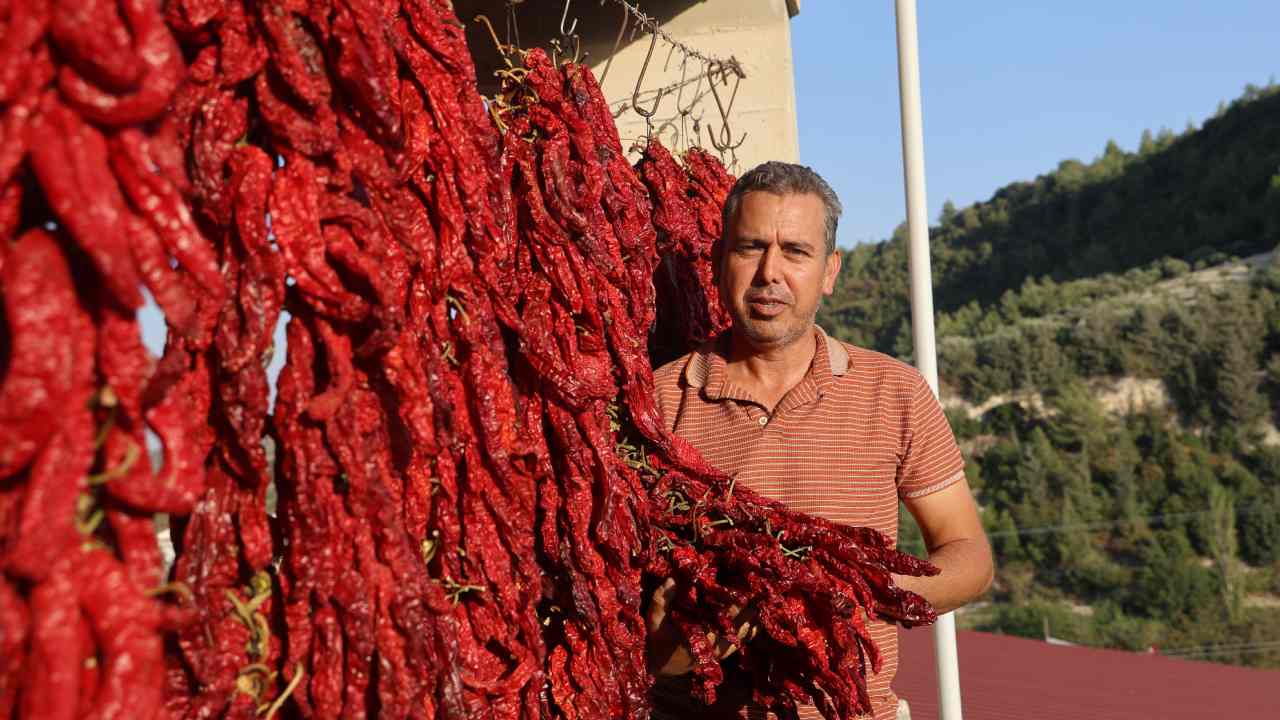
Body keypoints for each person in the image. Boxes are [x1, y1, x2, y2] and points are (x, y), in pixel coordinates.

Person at [647, 162, 993, 720]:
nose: (769, 272)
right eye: (750, 247)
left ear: (829, 271)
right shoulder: (661, 402)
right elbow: (631, 614)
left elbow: (969, 556)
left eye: (795, 252)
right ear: (717, 262)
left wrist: (857, 587)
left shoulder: (895, 391)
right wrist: (678, 638)